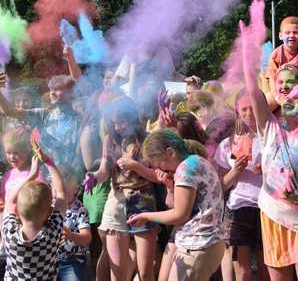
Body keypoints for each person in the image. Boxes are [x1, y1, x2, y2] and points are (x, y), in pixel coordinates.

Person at [240, 20, 298, 281]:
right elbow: (254, 91)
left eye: (291, 82)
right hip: (273, 218)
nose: (285, 87)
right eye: (280, 82)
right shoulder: (269, 129)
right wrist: (247, 53)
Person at [129, 129, 226, 281]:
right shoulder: (197, 160)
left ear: (170, 153)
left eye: (160, 163)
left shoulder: (185, 168)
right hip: (207, 243)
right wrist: (169, 186)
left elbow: (179, 214)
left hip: (199, 245)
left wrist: (146, 216)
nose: (161, 169)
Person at [84, 96, 159, 281]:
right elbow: (104, 171)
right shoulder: (110, 140)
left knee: (145, 272)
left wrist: (134, 165)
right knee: (117, 272)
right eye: (114, 123)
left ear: (132, 117)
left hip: (143, 201)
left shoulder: (147, 140)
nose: (117, 127)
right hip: (116, 201)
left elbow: (156, 176)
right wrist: (93, 177)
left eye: (121, 122)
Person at [214, 90, 267, 281]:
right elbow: (220, 186)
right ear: (237, 110)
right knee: (242, 272)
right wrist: (235, 171)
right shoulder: (227, 145)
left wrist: (266, 171)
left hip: (266, 209)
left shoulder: (271, 138)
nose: (249, 114)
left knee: (266, 268)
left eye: (252, 108)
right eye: (244, 109)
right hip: (237, 210)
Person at [2, 147, 67, 280]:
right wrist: (48, 161)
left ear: (18, 211)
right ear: (50, 211)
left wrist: (32, 174)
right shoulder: (53, 231)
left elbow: (10, 201)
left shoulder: (9, 231)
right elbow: (61, 194)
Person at [0, 72, 81, 169]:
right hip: (46, 174)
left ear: (71, 92)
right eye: (51, 89)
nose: (52, 93)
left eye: (57, 89)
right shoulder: (43, 115)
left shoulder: (80, 120)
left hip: (71, 176)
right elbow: (11, 112)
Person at [58, 169, 92, 281]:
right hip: (50, 259)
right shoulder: (50, 206)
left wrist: (71, 235)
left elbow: (87, 238)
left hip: (72, 261)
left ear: (76, 189)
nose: (62, 196)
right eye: (59, 191)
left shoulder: (79, 209)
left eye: (66, 192)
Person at [266, 16, 298, 95]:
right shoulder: (275, 55)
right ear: (280, 36)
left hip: (297, 90)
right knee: (268, 102)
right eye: (287, 32)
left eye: (296, 32)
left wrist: (297, 93)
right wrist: (277, 96)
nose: (291, 35)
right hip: (278, 90)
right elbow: (272, 78)